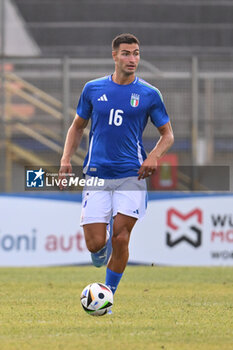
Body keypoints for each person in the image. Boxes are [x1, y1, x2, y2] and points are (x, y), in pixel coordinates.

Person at [59, 33, 174, 301]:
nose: (132, 59)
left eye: (136, 53)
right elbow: (77, 127)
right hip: (97, 175)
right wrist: (65, 158)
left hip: (130, 175)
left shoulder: (149, 94)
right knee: (96, 243)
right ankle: (100, 249)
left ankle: (107, 295)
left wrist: (154, 156)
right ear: (114, 56)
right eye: (126, 53)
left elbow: (167, 135)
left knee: (121, 238)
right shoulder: (93, 89)